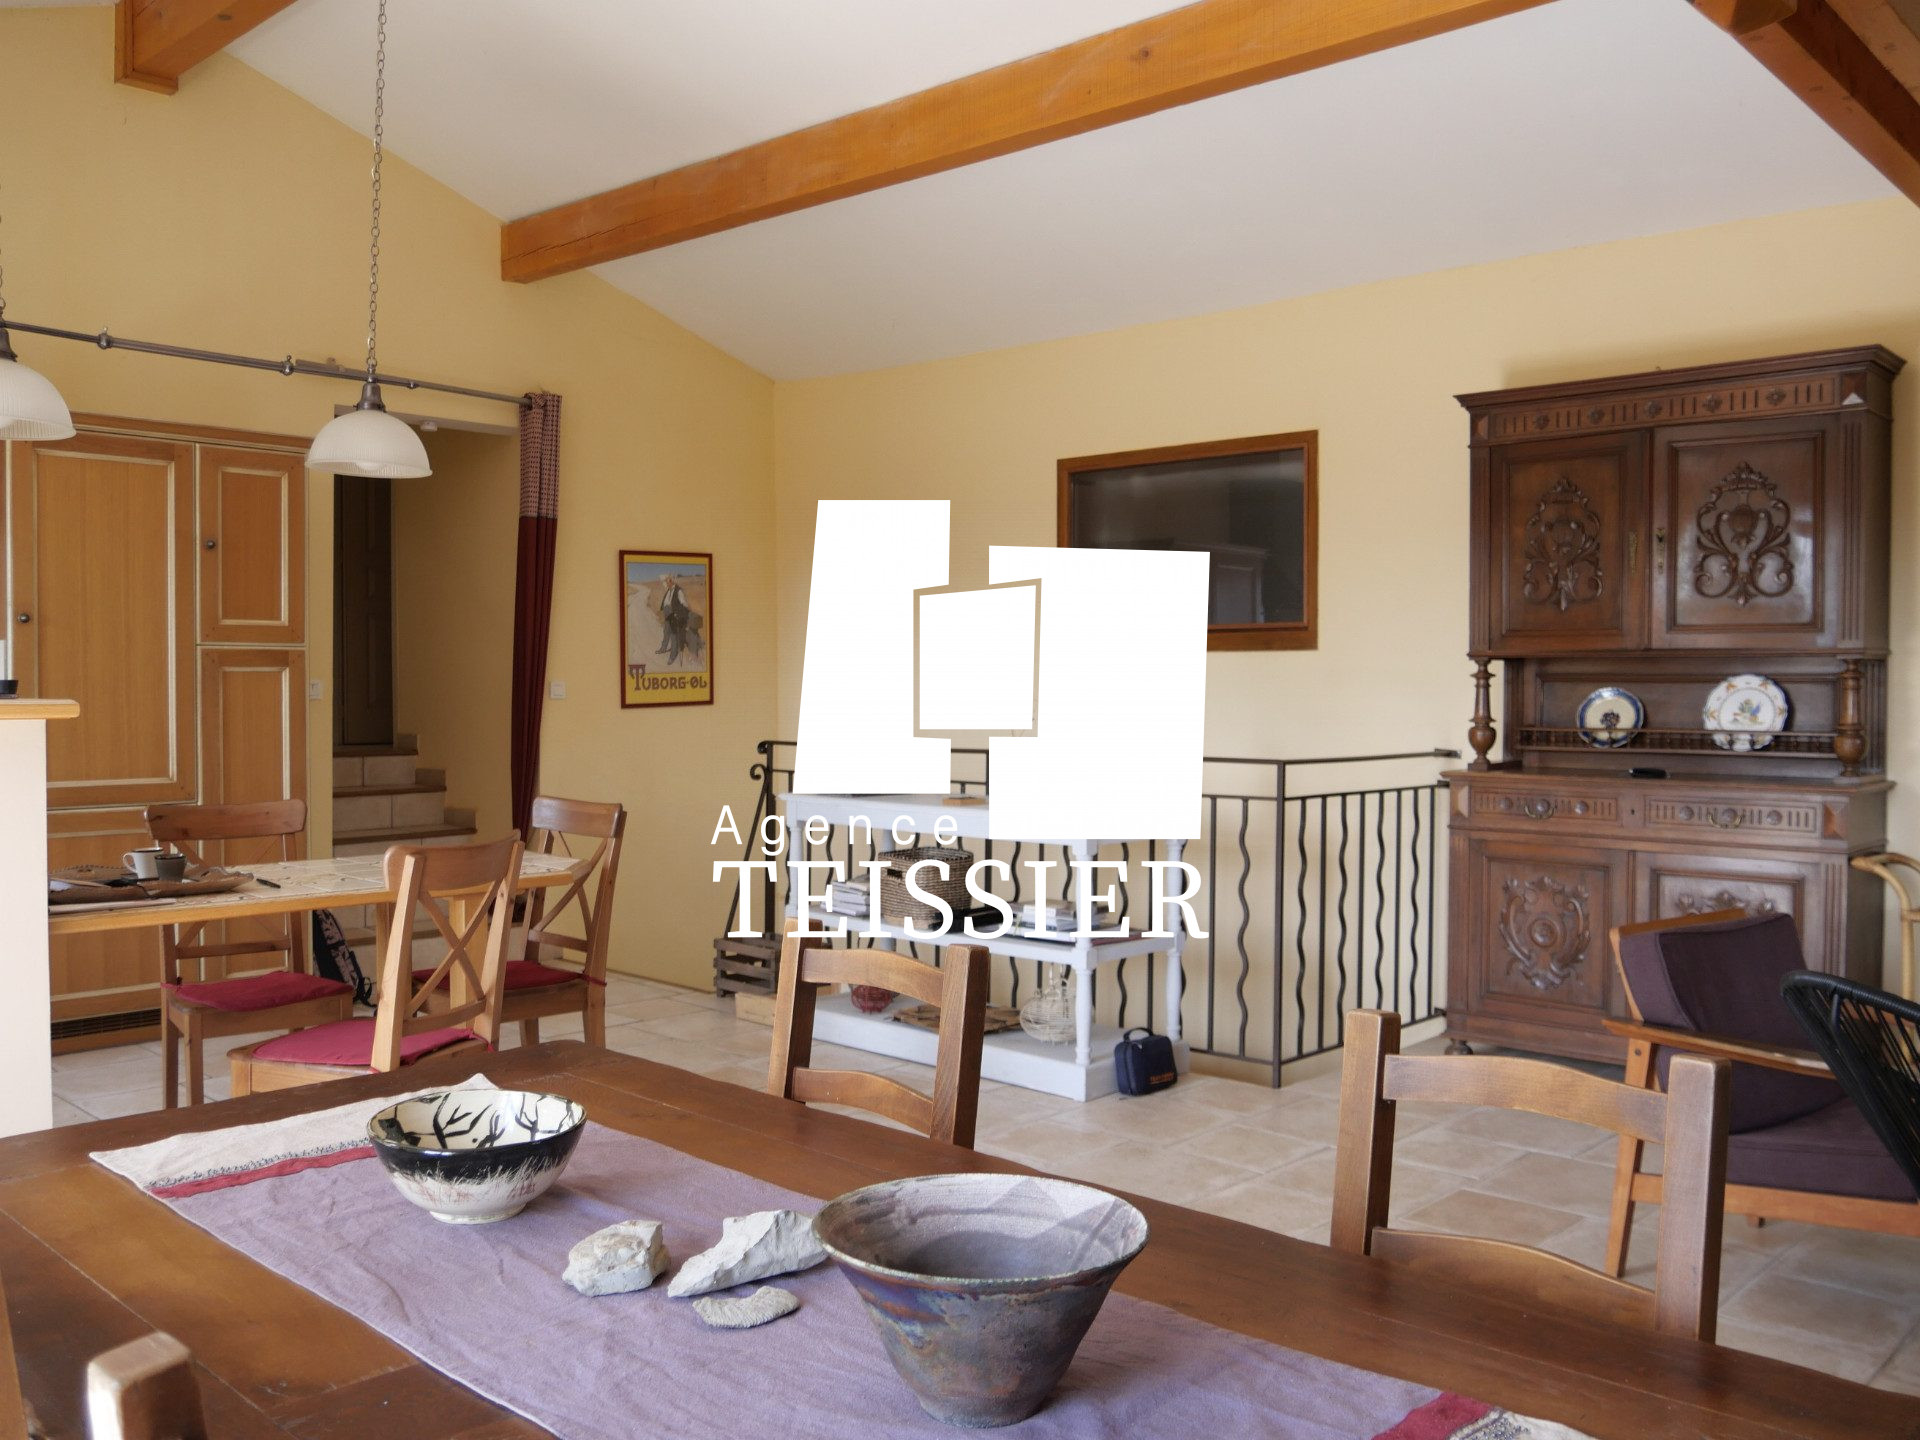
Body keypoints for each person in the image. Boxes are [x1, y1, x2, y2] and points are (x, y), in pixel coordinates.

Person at [655, 574, 704, 667]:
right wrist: (663, 610)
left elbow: (684, 604)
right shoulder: (668, 590)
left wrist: (681, 613)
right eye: (665, 582)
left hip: (674, 615)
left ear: (671, 581)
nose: (666, 583)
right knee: (666, 632)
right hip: (667, 614)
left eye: (667, 581)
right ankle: (663, 648)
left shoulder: (679, 590)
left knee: (673, 635)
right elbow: (666, 602)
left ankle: (672, 656)